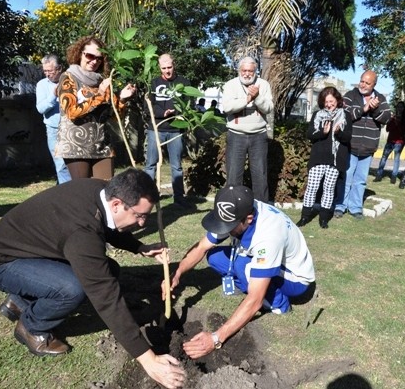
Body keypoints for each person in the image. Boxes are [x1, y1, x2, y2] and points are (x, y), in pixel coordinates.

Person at [0, 168, 186, 389]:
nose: (143, 224)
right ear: (116, 204)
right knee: (72, 288)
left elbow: (109, 226)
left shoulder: (99, 191)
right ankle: (31, 327)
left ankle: (20, 302)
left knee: (108, 268)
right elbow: (105, 297)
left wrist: (139, 247)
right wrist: (148, 359)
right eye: (140, 215)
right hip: (1, 263)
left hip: (28, 252)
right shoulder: (82, 232)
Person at [168, 185, 315, 359]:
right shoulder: (239, 209)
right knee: (214, 257)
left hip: (295, 279)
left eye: (229, 226)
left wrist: (215, 338)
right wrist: (177, 273)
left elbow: (255, 300)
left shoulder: (268, 236)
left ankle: (279, 304)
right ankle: (249, 281)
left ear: (249, 219)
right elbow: (201, 247)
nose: (224, 230)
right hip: (264, 258)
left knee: (243, 266)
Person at [56, 35, 137, 180]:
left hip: (102, 145)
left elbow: (114, 116)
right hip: (76, 147)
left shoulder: (102, 81)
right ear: (80, 53)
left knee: (105, 190)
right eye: (90, 55)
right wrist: (99, 94)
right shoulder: (68, 78)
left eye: (99, 58)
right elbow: (71, 111)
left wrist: (123, 99)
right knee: (84, 193)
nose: (94, 61)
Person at [334, 70, 391, 219]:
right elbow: (345, 114)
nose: (363, 85)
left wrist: (375, 108)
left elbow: (386, 117)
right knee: (345, 177)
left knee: (360, 180)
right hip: (350, 146)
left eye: (367, 83)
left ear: (374, 84)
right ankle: (340, 206)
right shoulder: (350, 95)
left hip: (368, 147)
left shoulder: (381, 98)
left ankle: (355, 208)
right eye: (362, 81)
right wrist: (364, 108)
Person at [297, 87, 352, 228]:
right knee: (312, 187)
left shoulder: (345, 115)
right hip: (318, 158)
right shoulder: (317, 114)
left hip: (335, 159)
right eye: (326, 101)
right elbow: (310, 134)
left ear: (337, 100)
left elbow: (347, 138)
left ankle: (324, 218)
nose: (329, 104)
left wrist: (338, 132)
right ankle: (305, 216)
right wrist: (323, 132)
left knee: (329, 188)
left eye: (331, 101)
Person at [221, 57, 273, 202]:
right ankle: (232, 207)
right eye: (244, 70)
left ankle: (262, 209)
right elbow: (227, 108)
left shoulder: (264, 84)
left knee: (260, 175)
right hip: (236, 135)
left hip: (259, 135)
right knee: (233, 175)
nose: (247, 74)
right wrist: (247, 99)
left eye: (251, 71)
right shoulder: (230, 85)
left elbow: (269, 108)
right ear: (239, 71)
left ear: (256, 71)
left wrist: (257, 97)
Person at [145, 54, 192, 208]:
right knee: (150, 165)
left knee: (176, 165)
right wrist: (162, 113)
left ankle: (179, 199)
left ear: (174, 65)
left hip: (175, 130)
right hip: (156, 129)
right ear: (159, 67)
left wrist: (177, 113)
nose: (167, 71)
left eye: (169, 67)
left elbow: (189, 105)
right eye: (164, 68)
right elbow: (148, 106)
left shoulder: (184, 83)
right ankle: (145, 199)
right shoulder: (154, 83)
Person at [35, 55, 71, 184]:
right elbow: (40, 108)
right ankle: (66, 193)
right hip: (54, 130)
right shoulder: (42, 85)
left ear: (59, 68)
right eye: (45, 71)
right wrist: (53, 96)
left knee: (75, 164)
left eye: (50, 71)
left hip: (73, 128)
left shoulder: (70, 81)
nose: (47, 74)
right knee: (61, 165)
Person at [374, 101, 405, 184]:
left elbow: (404, 131)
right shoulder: (392, 118)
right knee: (384, 157)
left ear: (403, 109)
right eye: (398, 107)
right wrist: (393, 121)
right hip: (390, 141)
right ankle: (379, 175)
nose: (399, 108)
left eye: (401, 107)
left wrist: (399, 122)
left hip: (399, 142)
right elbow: (387, 129)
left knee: (396, 159)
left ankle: (394, 177)